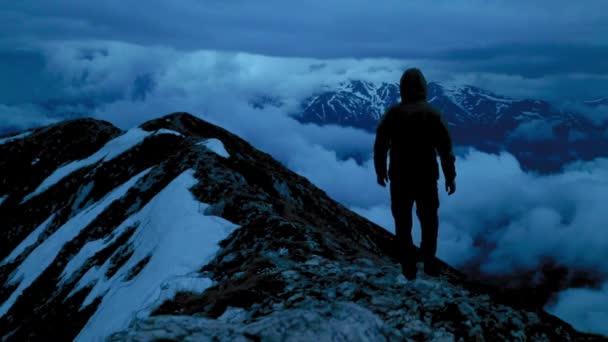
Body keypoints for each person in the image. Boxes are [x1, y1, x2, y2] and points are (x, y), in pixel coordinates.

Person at [374, 68, 456, 280]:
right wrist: (450, 176)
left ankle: (408, 264)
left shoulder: (393, 114)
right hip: (427, 176)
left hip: (400, 176)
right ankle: (429, 262)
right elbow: (445, 150)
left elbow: (380, 144)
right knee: (429, 220)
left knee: (402, 220)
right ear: (423, 88)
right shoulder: (433, 114)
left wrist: (380, 170)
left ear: (402, 88)